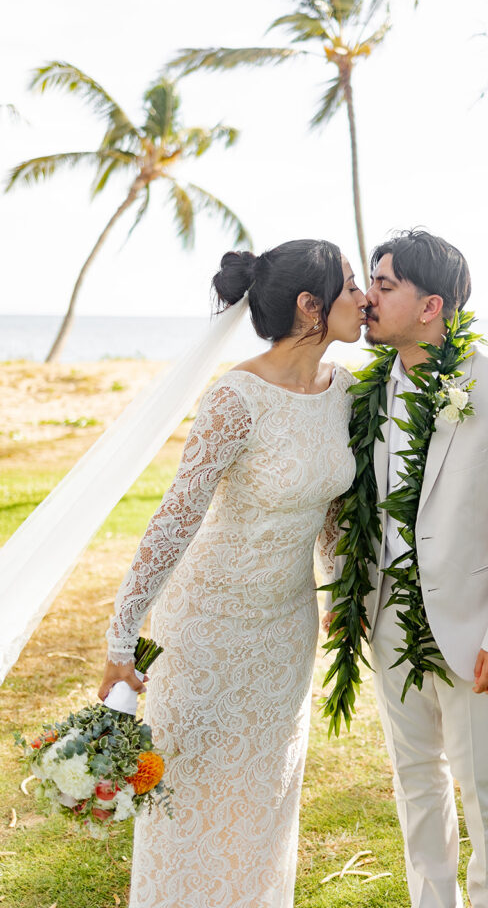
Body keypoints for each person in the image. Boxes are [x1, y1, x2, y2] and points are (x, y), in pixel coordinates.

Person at [98, 239, 367, 908]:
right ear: (311, 307)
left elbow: (331, 506)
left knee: (264, 800)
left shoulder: (347, 393)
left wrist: (338, 588)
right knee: (185, 801)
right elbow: (174, 519)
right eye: (351, 286)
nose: (364, 299)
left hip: (285, 634)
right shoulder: (234, 398)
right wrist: (120, 636)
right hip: (206, 630)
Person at [324, 229, 488, 908]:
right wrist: (343, 590)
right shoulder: (361, 394)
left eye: (385, 285)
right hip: (385, 614)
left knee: (484, 782)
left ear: (432, 306)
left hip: (475, 623)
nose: (368, 298)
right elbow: (342, 504)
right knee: (414, 777)